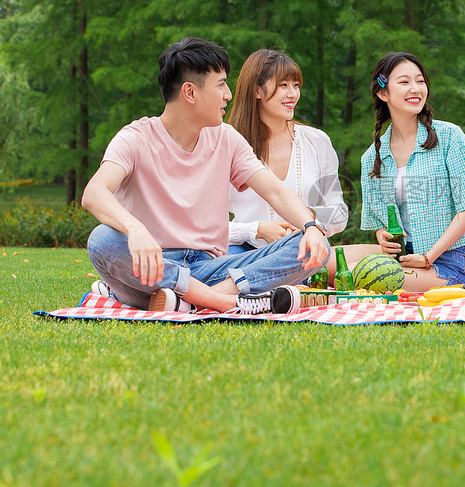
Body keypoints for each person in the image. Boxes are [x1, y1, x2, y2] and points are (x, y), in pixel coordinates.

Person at [82, 37, 329, 315]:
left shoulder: (226, 138)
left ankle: (193, 299)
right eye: (221, 84)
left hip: (211, 267)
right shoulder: (135, 138)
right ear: (190, 92)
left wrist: (310, 227)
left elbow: (274, 191)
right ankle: (221, 300)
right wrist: (135, 229)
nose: (229, 95)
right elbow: (94, 193)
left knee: (313, 245)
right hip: (152, 267)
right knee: (102, 239)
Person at [360, 52, 465, 291]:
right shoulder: (372, 156)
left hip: (448, 262)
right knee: (327, 262)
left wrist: (428, 256)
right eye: (404, 82)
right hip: (403, 257)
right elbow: (379, 221)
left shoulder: (449, 136)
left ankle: (456, 288)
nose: (415, 89)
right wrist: (382, 235)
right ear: (383, 93)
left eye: (420, 81)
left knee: (365, 279)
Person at [225, 49, 348, 256]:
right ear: (257, 91)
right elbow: (203, 227)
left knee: (372, 256)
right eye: (283, 85)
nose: (293, 94)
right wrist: (257, 230)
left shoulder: (316, 141)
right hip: (243, 253)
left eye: (296, 85)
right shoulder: (228, 144)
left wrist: (309, 218)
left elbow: (339, 213)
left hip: (301, 251)